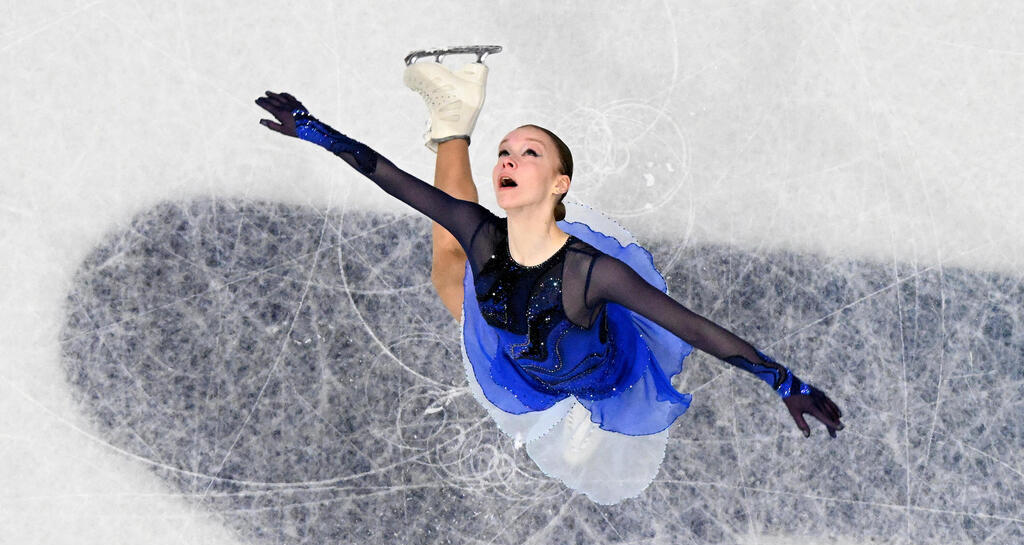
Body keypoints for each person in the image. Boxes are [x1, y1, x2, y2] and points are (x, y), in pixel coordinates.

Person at [254, 56, 844, 505]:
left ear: (559, 182)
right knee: (449, 267)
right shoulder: (482, 232)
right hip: (515, 348)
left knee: (447, 275)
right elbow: (391, 178)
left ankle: (454, 116)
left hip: (595, 372)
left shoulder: (594, 274)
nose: (509, 160)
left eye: (528, 153)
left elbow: (695, 328)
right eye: (505, 151)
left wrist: (784, 382)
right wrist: (312, 129)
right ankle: (454, 117)